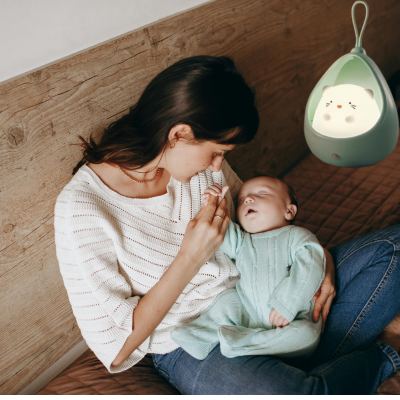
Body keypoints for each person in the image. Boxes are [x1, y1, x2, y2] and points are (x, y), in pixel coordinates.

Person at [54, 55, 400, 395]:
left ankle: (290, 355)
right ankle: (381, 356)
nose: (218, 165)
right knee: (285, 391)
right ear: (179, 134)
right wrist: (191, 256)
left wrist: (317, 257)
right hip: (195, 339)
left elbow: (261, 229)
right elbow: (117, 343)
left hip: (264, 288)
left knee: (395, 249)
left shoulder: (202, 167)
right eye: (217, 151)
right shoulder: (83, 209)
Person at [171, 177, 326, 360]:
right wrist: (212, 206)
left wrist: (287, 304)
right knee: (228, 302)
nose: (248, 199)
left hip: (292, 318)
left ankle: (240, 344)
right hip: (248, 314)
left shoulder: (297, 237)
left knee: (307, 334)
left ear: (289, 211)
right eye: (242, 199)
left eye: (262, 193)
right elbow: (221, 235)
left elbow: (309, 268)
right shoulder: (243, 241)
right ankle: (198, 335)